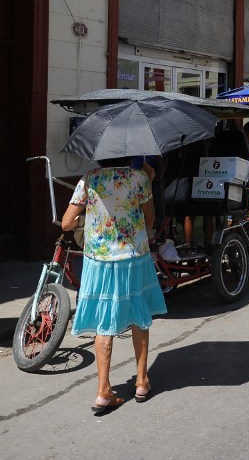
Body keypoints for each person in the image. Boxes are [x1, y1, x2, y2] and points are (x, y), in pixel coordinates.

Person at [61, 157, 167, 412]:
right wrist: (149, 182)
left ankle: (103, 392)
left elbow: (66, 223)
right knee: (138, 315)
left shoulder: (89, 179)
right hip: (132, 257)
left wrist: (90, 219)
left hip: (98, 259)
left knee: (103, 323)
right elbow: (150, 221)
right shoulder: (139, 178)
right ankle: (142, 382)